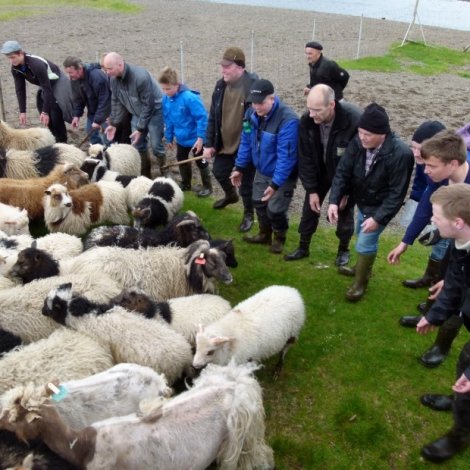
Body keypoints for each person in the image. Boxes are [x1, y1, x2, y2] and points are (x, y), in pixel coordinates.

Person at [389, 130, 470, 366]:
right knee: (443, 278)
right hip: (458, 240)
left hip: (464, 240)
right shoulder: (441, 178)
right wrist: (405, 242)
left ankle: (441, 347)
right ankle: (430, 315)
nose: (426, 171)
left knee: (460, 293)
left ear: (452, 163)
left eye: (431, 166)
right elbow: (425, 207)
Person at [327, 103, 414, 301]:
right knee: (360, 233)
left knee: (366, 241)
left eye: (368, 134)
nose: (362, 137)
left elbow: (397, 193)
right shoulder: (358, 143)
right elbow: (343, 171)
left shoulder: (401, 154)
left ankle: (360, 284)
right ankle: (360, 268)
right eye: (360, 132)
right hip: (363, 199)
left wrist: (378, 218)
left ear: (382, 133)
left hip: (380, 205)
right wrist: (333, 200)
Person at [416, 183, 470, 463]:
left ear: (458, 221)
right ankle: (461, 402)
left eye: (436, 216)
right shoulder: (462, 243)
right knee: (465, 359)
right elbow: (456, 283)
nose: (433, 220)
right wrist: (434, 315)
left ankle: (459, 436)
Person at [284, 84, 361, 265]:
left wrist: (347, 193)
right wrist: (311, 190)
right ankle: (303, 247)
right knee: (309, 208)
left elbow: (358, 164)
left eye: (317, 110)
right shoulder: (307, 120)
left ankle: (343, 249)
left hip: (345, 173)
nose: (311, 114)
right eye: (309, 109)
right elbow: (305, 157)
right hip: (320, 171)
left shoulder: (354, 121)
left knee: (344, 210)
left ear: (332, 105)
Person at [230, 79, 299, 254]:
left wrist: (275, 184)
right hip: (262, 169)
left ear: (272, 98)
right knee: (258, 202)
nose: (256, 107)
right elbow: (246, 141)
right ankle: (264, 234)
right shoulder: (249, 115)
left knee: (275, 209)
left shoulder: (288, 120)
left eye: (260, 103)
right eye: (254, 103)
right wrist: (239, 167)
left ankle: (279, 237)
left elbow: (287, 157)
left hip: (282, 174)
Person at [203, 46, 258, 233]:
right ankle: (230, 196)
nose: (223, 70)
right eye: (222, 66)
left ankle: (249, 214)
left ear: (240, 67)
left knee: (246, 185)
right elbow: (212, 117)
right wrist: (209, 144)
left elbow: (255, 123)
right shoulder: (220, 86)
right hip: (225, 145)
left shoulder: (252, 87)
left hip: (246, 146)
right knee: (219, 171)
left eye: (227, 66)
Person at [103, 52, 165, 178]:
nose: (107, 72)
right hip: (137, 112)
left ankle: (165, 171)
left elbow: (149, 104)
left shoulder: (140, 77)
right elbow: (116, 101)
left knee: (156, 145)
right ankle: (145, 174)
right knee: (137, 145)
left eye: (110, 69)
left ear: (120, 65)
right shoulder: (113, 80)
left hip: (155, 112)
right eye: (105, 69)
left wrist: (140, 128)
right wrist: (114, 124)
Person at [1, 40, 73, 143]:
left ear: (21, 53)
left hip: (57, 81)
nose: (11, 61)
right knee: (42, 108)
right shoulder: (16, 68)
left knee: (54, 110)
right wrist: (22, 111)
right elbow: (20, 89)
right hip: (45, 85)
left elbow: (47, 88)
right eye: (9, 58)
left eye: (13, 57)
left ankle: (62, 141)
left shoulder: (36, 64)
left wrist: (45, 111)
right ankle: (54, 138)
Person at [158, 66, 212, 197]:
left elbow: (202, 118)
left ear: (177, 85)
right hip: (181, 138)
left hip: (196, 138)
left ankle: (207, 186)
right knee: (181, 158)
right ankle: (186, 183)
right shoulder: (166, 99)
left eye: (168, 88)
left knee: (201, 161)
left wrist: (200, 138)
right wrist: (169, 137)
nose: (166, 92)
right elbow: (168, 119)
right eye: (163, 89)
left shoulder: (190, 98)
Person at [63, 56, 111, 145]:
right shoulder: (74, 79)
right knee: (91, 132)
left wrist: (98, 120)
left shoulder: (96, 77)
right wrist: (76, 115)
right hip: (93, 110)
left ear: (80, 69)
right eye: (68, 73)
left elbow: (105, 100)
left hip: (107, 111)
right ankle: (98, 152)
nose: (69, 75)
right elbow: (78, 99)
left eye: (71, 72)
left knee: (108, 136)